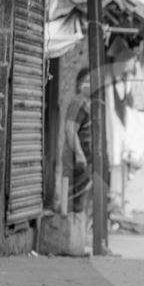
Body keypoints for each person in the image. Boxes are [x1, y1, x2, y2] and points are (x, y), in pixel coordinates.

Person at [63, 67, 93, 214]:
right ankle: (72, 232)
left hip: (85, 158)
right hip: (78, 158)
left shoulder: (87, 103)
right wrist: (80, 155)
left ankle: (78, 232)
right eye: (87, 81)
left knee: (81, 199)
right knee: (76, 200)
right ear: (80, 84)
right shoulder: (78, 103)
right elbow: (70, 130)